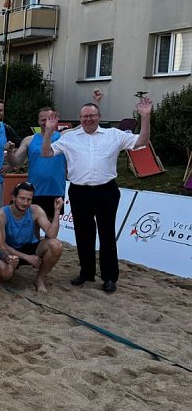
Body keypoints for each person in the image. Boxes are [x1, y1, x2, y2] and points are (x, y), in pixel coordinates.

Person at [41, 97, 153, 293]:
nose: (88, 119)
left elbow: (142, 142)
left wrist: (145, 117)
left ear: (99, 117)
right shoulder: (69, 137)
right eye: (85, 116)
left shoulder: (114, 135)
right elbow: (46, 153)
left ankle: (110, 277)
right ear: (79, 118)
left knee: (107, 234)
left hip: (106, 190)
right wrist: (49, 133)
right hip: (79, 191)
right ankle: (86, 272)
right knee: (83, 234)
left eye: (92, 115)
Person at [0, 183, 64, 293]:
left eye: (29, 199)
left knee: (56, 245)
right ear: (14, 197)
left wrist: (57, 211)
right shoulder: (1, 214)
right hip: (11, 250)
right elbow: (2, 245)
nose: (25, 203)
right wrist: (27, 257)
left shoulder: (35, 210)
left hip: (30, 246)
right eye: (22, 198)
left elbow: (52, 235)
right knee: (4, 274)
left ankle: (39, 279)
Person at [7, 106, 67, 220]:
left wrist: (96, 102)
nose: (46, 123)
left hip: (56, 190)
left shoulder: (63, 137)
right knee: (34, 226)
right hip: (34, 192)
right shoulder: (29, 140)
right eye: (43, 120)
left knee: (51, 228)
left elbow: (85, 125)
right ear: (38, 121)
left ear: (55, 119)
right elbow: (14, 161)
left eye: (49, 119)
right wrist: (9, 152)